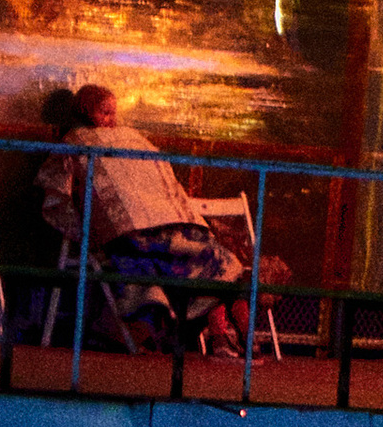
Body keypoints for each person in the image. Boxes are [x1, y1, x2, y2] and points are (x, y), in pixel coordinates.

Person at [37, 81, 236, 359]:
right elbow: (58, 193)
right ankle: (157, 333)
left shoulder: (129, 137)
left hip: (165, 223)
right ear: (86, 112)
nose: (111, 121)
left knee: (212, 258)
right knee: (144, 261)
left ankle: (219, 336)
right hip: (126, 233)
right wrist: (84, 232)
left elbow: (158, 175)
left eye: (113, 113)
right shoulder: (76, 141)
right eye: (104, 113)